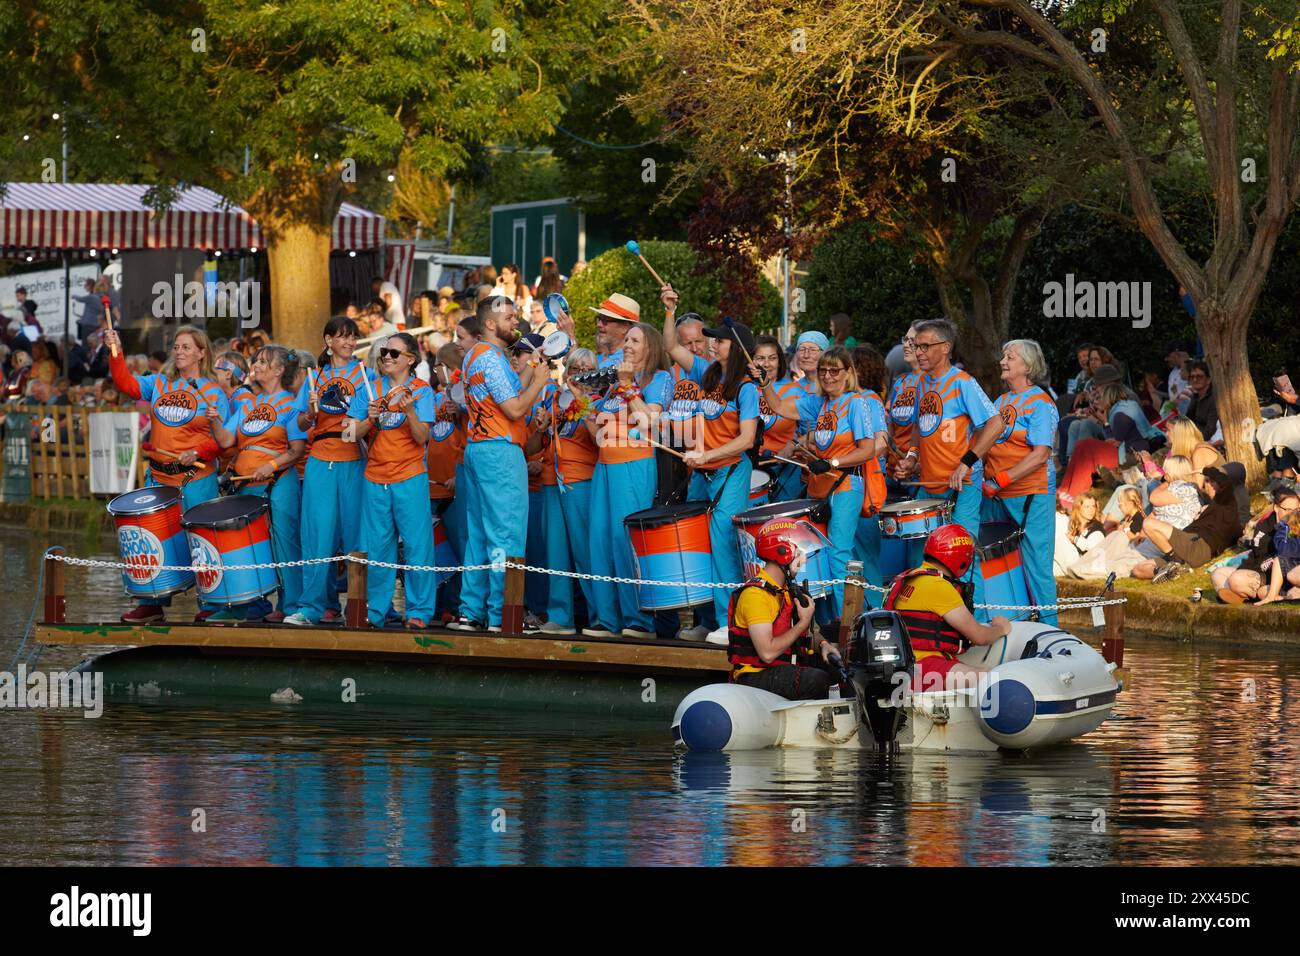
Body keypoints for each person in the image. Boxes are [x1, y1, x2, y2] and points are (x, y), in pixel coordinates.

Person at [104, 324, 230, 624]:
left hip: (195, 479)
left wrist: (200, 452)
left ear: (201, 353)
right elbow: (126, 384)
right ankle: (151, 602)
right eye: (176, 346)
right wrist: (116, 351)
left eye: (186, 347)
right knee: (152, 540)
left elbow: (224, 438)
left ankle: (211, 604)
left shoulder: (213, 391)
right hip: (159, 477)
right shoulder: (159, 383)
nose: (179, 351)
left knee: (201, 543)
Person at [760, 345, 879, 629]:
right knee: (826, 553)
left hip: (847, 485)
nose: (827, 376)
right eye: (823, 370)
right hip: (822, 487)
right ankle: (838, 617)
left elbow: (868, 449)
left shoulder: (855, 403)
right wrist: (765, 383)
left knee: (839, 553)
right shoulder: (819, 403)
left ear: (848, 373)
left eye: (834, 370)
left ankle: (846, 622)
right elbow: (778, 406)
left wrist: (832, 461)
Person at [660, 294, 760, 631]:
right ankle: (706, 620)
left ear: (737, 348)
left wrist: (706, 455)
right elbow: (672, 347)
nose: (712, 343)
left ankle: (728, 624)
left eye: (719, 339)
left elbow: (747, 440)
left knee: (722, 547)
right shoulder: (706, 371)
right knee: (699, 547)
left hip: (729, 472)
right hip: (702, 473)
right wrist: (670, 309)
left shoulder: (746, 388)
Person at [452, 295, 551, 632]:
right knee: (506, 534)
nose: (516, 323)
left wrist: (530, 374)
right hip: (499, 451)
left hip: (479, 449)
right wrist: (539, 383)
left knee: (479, 535)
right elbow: (513, 409)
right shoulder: (491, 358)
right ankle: (501, 615)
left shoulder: (478, 356)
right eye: (510, 318)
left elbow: (506, 397)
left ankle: (471, 611)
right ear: (490, 324)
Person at [891, 319, 1002, 613]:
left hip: (961, 486)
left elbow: (996, 423)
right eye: (916, 346)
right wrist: (912, 458)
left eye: (925, 346)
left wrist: (967, 462)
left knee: (961, 555)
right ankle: (925, 619)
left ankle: (974, 621)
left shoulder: (963, 382)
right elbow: (919, 427)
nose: (919, 352)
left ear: (946, 348)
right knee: (921, 556)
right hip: (929, 485)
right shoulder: (921, 382)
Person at [581, 318, 673, 638]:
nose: (628, 346)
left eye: (635, 341)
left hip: (633, 464)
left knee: (626, 542)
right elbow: (597, 429)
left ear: (650, 347)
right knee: (600, 541)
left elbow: (650, 422)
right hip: (605, 464)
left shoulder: (659, 379)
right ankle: (606, 620)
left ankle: (639, 621)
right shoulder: (614, 383)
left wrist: (629, 385)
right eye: (627, 341)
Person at [285, 317, 378, 626]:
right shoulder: (317, 376)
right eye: (342, 337)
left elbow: (375, 415)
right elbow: (299, 423)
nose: (349, 342)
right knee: (317, 535)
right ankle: (311, 607)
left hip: (354, 456)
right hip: (320, 459)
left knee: (356, 534)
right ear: (328, 341)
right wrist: (310, 411)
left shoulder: (366, 375)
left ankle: (359, 606)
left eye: (352, 337)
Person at [208, 346, 307, 622]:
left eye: (264, 361)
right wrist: (214, 420)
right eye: (257, 361)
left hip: (277, 483)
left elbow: (297, 449)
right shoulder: (248, 403)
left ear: (279, 370)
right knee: (248, 546)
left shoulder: (292, 403)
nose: (257, 365)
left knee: (284, 544)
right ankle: (244, 604)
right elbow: (227, 441)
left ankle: (291, 605)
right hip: (245, 486)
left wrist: (271, 466)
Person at [347, 331, 437, 628]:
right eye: (385, 351)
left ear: (410, 359)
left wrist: (409, 410)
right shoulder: (369, 388)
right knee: (377, 548)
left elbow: (422, 437)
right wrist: (369, 419)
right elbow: (348, 434)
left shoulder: (422, 390)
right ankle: (378, 611)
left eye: (394, 353)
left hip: (409, 476)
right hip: (375, 477)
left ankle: (419, 612)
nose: (386, 356)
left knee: (417, 546)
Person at [981, 339, 1059, 624]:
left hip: (1030, 494)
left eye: (1010, 357)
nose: (1003, 361)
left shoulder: (1041, 404)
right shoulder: (1000, 402)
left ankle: (1050, 631)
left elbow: (1040, 454)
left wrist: (1001, 479)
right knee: (986, 557)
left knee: (1037, 566)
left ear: (1027, 366)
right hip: (995, 494)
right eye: (1003, 356)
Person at [883, 524, 1012, 692]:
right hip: (924, 666)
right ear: (962, 560)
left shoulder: (908, 577)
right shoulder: (938, 585)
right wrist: (1001, 628)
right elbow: (979, 637)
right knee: (989, 678)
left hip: (905, 664)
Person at [528, 348, 600, 636]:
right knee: (555, 553)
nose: (579, 373)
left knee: (586, 553)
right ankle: (561, 617)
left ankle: (601, 617)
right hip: (550, 480)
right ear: (566, 369)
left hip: (581, 480)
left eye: (586, 368)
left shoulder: (598, 401)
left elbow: (601, 444)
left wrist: (585, 404)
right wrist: (541, 428)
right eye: (574, 367)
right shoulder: (552, 399)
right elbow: (532, 448)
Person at [726, 518, 838, 700]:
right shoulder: (755, 596)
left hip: (781, 669)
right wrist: (802, 623)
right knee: (816, 680)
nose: (803, 559)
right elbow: (767, 653)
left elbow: (807, 633)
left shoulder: (787, 590)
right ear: (784, 552)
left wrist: (823, 644)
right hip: (754, 676)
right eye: (800, 552)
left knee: (838, 670)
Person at [1058, 382, 1165, 503]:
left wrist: (1105, 422)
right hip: (1130, 449)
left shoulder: (1120, 414)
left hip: (1130, 454)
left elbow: (1113, 441)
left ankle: (1071, 494)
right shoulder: (1126, 406)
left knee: (1086, 446)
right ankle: (1066, 489)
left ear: (1108, 397)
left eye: (1102, 397)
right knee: (1083, 445)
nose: (1100, 401)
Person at [1133, 466, 1244, 581]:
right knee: (1138, 569)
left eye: (1210, 481)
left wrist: (1205, 471)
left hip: (1198, 545)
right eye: (1206, 481)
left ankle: (1176, 561)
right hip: (1185, 547)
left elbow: (1226, 482)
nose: (1207, 485)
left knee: (1148, 524)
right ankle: (1170, 570)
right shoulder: (1212, 507)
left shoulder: (1226, 504)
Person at [427, 340, 469, 624]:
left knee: (459, 547)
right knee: (436, 550)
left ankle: (457, 606)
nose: (436, 371)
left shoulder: (466, 399)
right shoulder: (433, 397)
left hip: (455, 485)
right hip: (431, 485)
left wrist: (459, 474)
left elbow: (469, 440)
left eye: (440, 366)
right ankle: (438, 605)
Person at [1212, 485, 1300, 603]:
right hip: (1260, 570)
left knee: (1236, 579)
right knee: (1218, 573)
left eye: (1295, 510)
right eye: (1287, 510)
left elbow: (1285, 555)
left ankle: (1244, 593)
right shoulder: (1265, 526)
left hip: (1279, 576)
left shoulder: (1295, 526)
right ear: (1275, 508)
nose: (1292, 514)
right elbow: (1258, 555)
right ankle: (1239, 596)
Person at [751, 334, 805, 501]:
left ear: (780, 361)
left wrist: (793, 445)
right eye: (760, 358)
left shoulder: (795, 390)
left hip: (786, 466)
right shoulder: (745, 387)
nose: (766, 364)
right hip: (750, 465)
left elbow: (810, 431)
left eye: (772, 358)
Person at [886, 321, 924, 479]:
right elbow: (891, 427)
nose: (906, 345)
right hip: (894, 468)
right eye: (905, 339)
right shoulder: (900, 382)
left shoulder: (933, 381)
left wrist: (915, 463)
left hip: (918, 470)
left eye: (912, 341)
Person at [1054, 493, 1105, 575]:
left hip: (1088, 565)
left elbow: (1094, 547)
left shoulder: (1096, 527)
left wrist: (1075, 539)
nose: (1091, 510)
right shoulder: (1074, 525)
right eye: (1087, 507)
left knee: (1061, 541)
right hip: (1075, 563)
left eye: (1093, 506)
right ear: (1078, 508)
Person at [590, 293, 638, 368]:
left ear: (625, 327)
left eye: (605, 320)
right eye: (599, 318)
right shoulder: (598, 358)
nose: (599, 324)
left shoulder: (626, 361)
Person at [1184, 360, 1220, 443]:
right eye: (1192, 377)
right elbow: (1187, 421)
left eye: (1199, 376)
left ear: (1208, 379)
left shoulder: (1213, 400)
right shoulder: (1195, 397)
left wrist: (1190, 441)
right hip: (1193, 439)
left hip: (1208, 443)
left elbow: (1210, 431)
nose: (1195, 379)